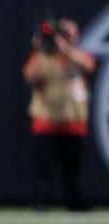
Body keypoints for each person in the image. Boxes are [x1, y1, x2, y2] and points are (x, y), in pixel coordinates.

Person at [23, 19, 95, 210]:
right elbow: (30, 76)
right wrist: (38, 49)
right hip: (46, 122)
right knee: (43, 169)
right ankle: (41, 203)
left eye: (67, 33)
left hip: (73, 123)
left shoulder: (80, 56)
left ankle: (75, 203)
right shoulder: (43, 57)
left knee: (72, 171)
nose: (62, 37)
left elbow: (89, 67)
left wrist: (65, 49)